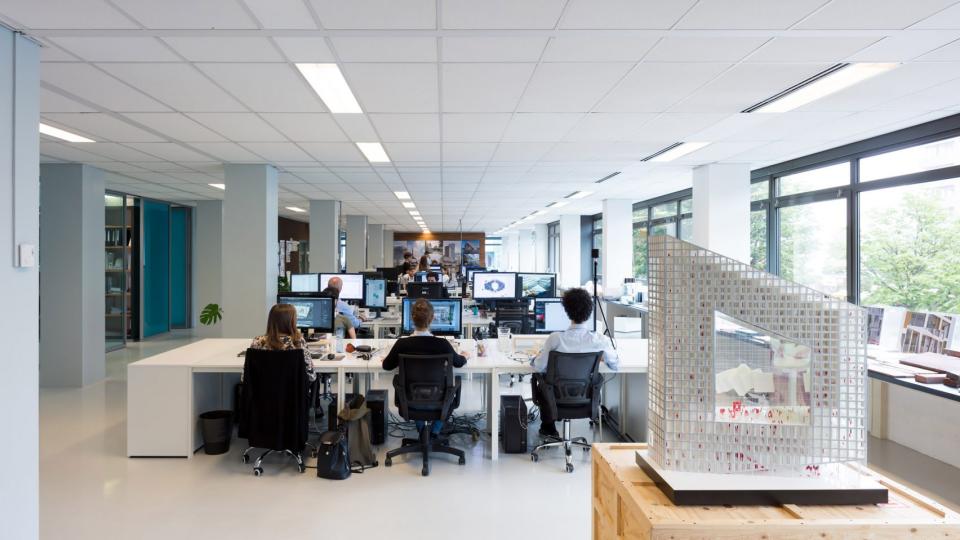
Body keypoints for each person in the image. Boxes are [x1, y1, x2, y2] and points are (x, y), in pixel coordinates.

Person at [531, 287, 618, 438]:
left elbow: (539, 367)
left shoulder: (555, 339)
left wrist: (534, 358)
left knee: (542, 381)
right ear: (590, 312)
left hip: (555, 398)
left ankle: (548, 427)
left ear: (566, 311)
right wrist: (600, 357)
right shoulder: (599, 340)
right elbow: (615, 365)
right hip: (586, 397)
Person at [382, 298, 469, 438]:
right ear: (432, 318)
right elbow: (458, 363)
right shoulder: (442, 344)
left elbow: (386, 366)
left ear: (412, 318)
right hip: (440, 401)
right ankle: (434, 431)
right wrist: (465, 356)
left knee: (413, 383)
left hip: (409, 402)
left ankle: (422, 430)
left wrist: (389, 358)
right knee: (446, 383)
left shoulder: (402, 344)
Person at [248, 304, 316, 382]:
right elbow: (311, 376)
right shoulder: (298, 342)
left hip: (262, 389)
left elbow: (245, 377)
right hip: (292, 389)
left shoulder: (257, 341)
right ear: (292, 321)